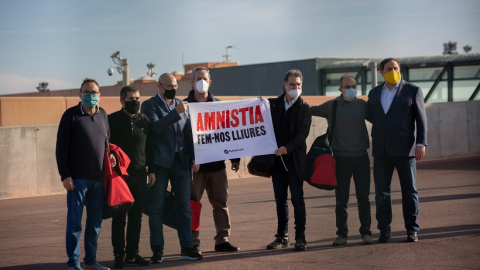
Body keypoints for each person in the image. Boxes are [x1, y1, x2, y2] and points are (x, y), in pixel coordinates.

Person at [141, 73, 202, 262]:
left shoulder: (182, 104)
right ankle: (157, 250)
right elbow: (156, 128)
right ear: (159, 87)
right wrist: (175, 112)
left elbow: (188, 133)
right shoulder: (149, 105)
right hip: (159, 164)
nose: (173, 89)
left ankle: (187, 247)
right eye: (169, 86)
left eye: (175, 85)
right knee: (156, 208)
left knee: (184, 207)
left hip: (181, 163)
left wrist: (194, 157)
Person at [367, 58, 427, 243]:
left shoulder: (413, 90)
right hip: (381, 150)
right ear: (381, 72)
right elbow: (372, 116)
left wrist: (421, 143)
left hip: (405, 149)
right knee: (381, 193)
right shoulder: (374, 92)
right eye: (389, 69)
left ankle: (412, 229)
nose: (393, 71)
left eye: (396, 68)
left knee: (409, 191)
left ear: (400, 70)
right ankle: (384, 229)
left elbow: (421, 119)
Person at [56, 78, 112, 270]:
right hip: (77, 180)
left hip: (98, 180)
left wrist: (111, 158)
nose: (91, 95)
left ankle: (90, 261)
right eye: (87, 92)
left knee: (95, 223)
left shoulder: (103, 114)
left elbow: (106, 145)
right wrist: (65, 175)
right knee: (74, 224)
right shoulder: (70, 116)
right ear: (80, 95)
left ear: (100, 94)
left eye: (94, 92)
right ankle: (73, 263)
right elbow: (61, 148)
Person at [310, 74, 372, 246]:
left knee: (364, 198)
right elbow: (310, 110)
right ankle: (342, 234)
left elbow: (380, 118)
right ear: (340, 89)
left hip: (361, 158)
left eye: (353, 86)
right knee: (341, 200)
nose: (351, 89)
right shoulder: (332, 106)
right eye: (347, 87)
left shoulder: (363, 106)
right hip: (340, 159)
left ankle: (366, 232)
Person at [184, 67, 241, 254]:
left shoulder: (220, 106)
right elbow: (181, 137)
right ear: (192, 83)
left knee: (221, 204)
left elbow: (229, 134)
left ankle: (222, 240)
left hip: (217, 165)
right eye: (198, 78)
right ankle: (192, 243)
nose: (201, 81)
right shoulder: (184, 107)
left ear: (210, 82)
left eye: (204, 78)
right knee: (193, 205)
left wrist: (235, 158)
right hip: (195, 167)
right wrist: (191, 157)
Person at [108, 85, 153, 268]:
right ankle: (119, 255)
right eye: (131, 99)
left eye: (137, 99)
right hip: (121, 178)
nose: (135, 102)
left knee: (137, 218)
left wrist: (152, 171)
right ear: (121, 101)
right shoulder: (112, 120)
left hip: (141, 175)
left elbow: (149, 148)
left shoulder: (144, 121)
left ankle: (132, 254)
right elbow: (106, 146)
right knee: (119, 218)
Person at [267, 69, 311, 251]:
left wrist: (288, 148)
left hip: (295, 161)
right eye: (292, 84)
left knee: (298, 199)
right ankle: (282, 236)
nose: (296, 87)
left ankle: (300, 237)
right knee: (280, 200)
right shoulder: (272, 105)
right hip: (277, 162)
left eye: (299, 84)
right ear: (284, 85)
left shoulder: (304, 107)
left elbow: (302, 135)